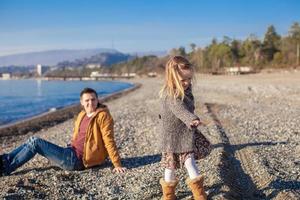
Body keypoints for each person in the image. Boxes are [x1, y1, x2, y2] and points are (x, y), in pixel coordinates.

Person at [0, 87, 126, 176]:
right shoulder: (82, 114)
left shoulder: (103, 116)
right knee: (31, 140)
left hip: (77, 161)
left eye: (93, 99)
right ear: (81, 102)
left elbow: (108, 140)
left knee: (35, 142)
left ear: (98, 100)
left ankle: (6, 167)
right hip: (71, 152)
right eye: (87, 100)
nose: (90, 103)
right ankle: (4, 160)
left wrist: (117, 164)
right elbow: (77, 137)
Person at [158, 56, 209, 200]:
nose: (187, 83)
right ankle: (168, 195)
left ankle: (200, 195)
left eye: (189, 79)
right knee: (170, 166)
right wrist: (192, 119)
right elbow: (179, 109)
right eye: (183, 80)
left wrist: (191, 120)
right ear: (171, 78)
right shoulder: (170, 95)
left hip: (185, 133)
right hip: (171, 137)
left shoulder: (186, 89)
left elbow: (186, 106)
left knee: (190, 162)